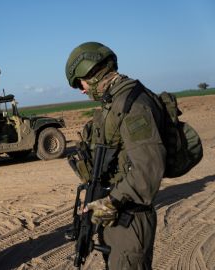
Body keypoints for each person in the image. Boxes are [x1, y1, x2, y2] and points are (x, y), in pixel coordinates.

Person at [65, 42, 166, 269]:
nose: (82, 90)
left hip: (130, 219)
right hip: (117, 216)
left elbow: (148, 171)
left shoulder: (132, 104)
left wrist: (110, 202)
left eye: (80, 83)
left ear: (92, 72)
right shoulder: (115, 102)